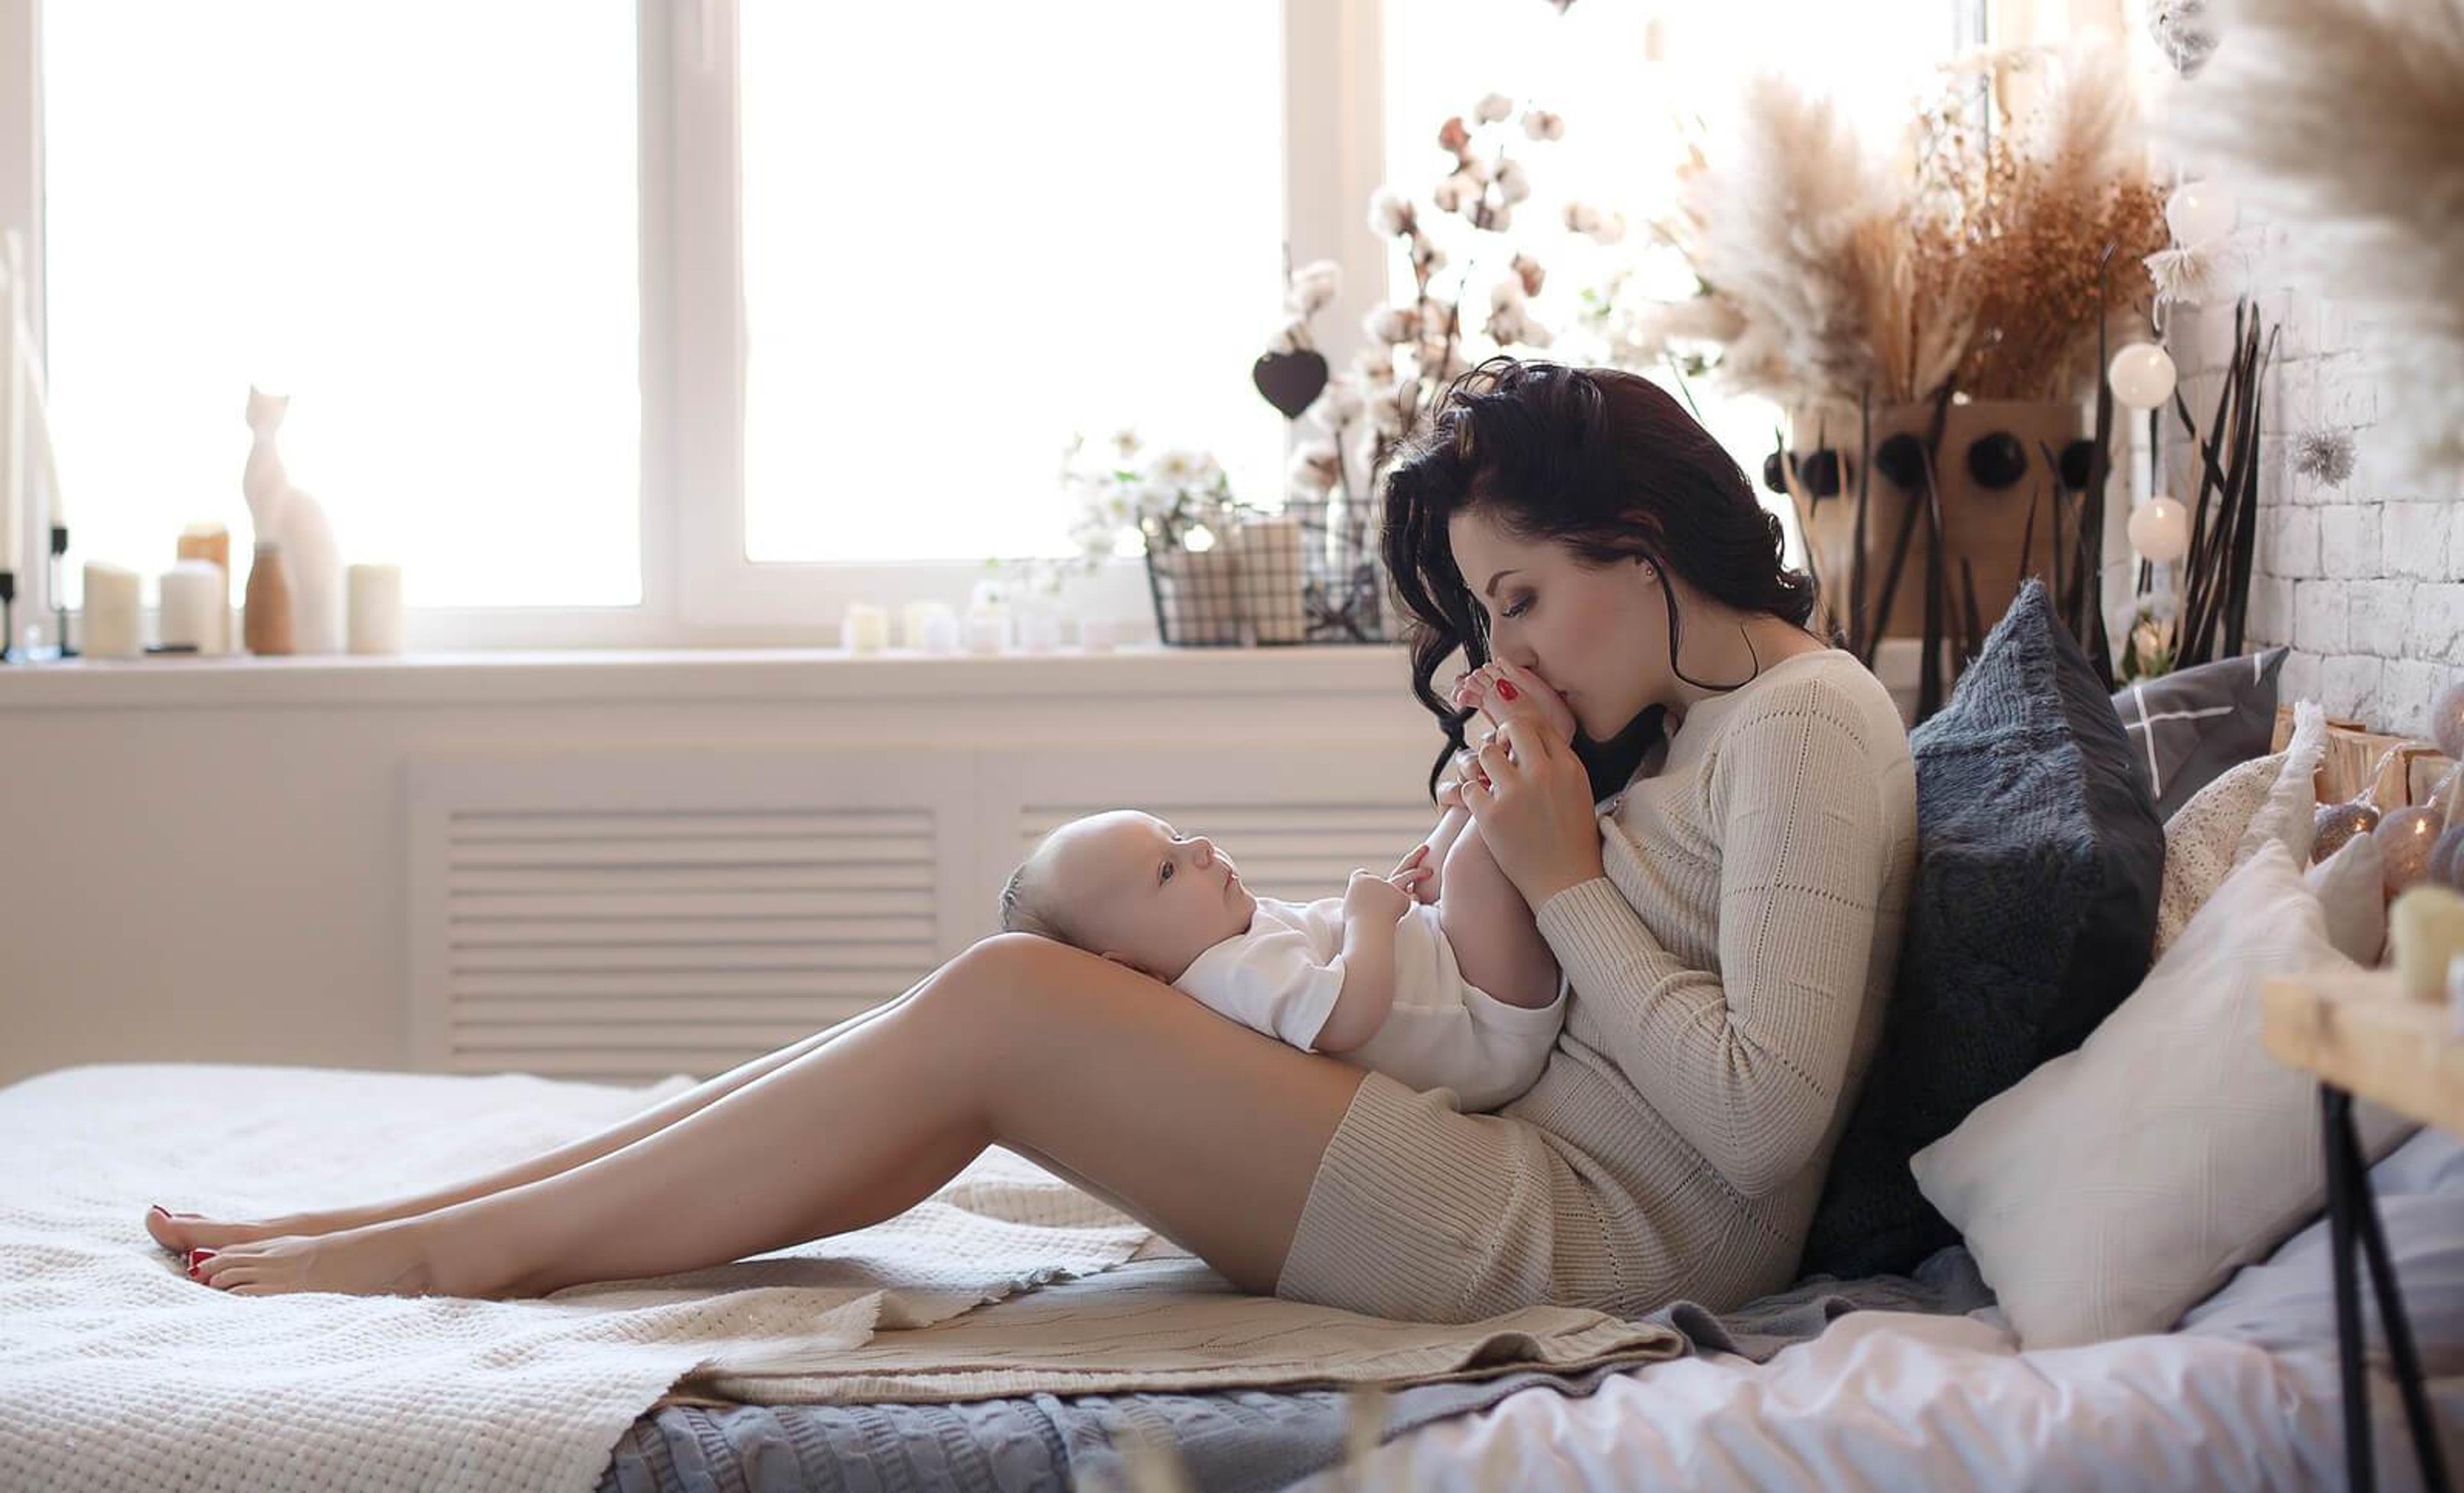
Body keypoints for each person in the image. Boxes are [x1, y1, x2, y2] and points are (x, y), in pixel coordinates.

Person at [148, 358, 1917, 1324]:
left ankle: (461, 1249)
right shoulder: (1679, 726)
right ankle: (429, 1214)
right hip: (1501, 1151)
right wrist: (1516, 870)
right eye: (1485, 612)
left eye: (1522, 594)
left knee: (1006, 1001)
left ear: (1641, 532)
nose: (1500, 653)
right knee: (996, 994)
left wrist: (1561, 879)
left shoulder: (1816, 719)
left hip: (1597, 1235)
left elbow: (1766, 1122)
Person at [991, 659, 1582, 1113]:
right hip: (1486, 1027)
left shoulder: (1235, 942)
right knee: (1472, 866)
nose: (1199, 849)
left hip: (1454, 970)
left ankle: (1512, 762)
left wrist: (1407, 883)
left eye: (1177, 837)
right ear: (1136, 971)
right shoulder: (1232, 975)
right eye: (1166, 872)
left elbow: (1375, 950)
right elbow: (1351, 1016)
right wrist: (1371, 920)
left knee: (1450, 845)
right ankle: (1543, 744)